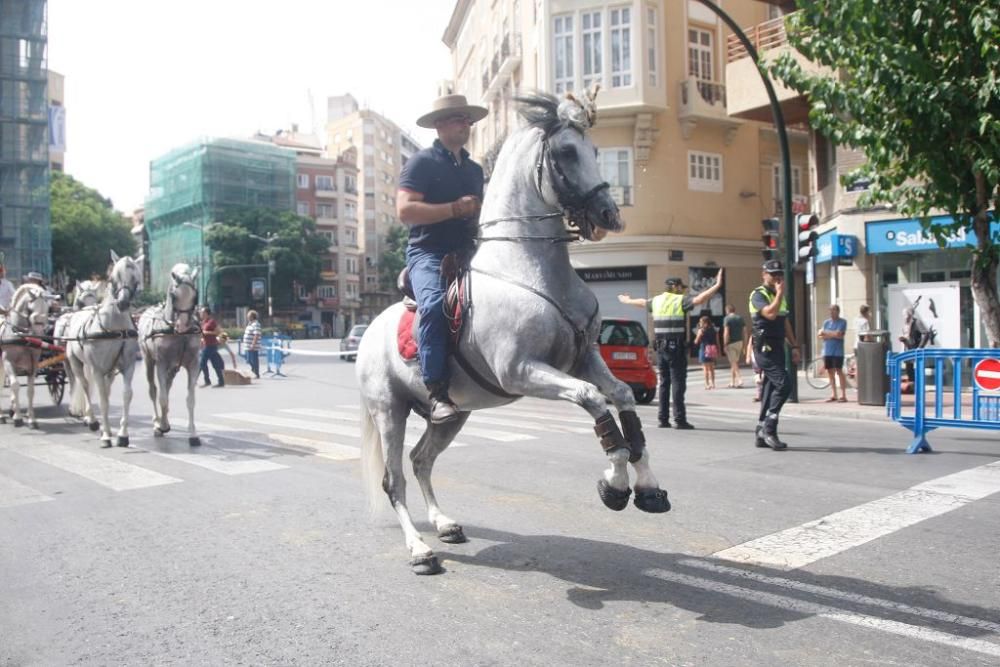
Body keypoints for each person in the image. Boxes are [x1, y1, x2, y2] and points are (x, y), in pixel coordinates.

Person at [396, 94, 487, 424]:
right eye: (458, 118)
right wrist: (453, 209)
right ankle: (436, 391)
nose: (465, 124)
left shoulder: (475, 170)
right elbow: (404, 210)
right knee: (434, 305)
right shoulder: (422, 163)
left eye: (468, 119)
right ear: (439, 125)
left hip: (470, 252)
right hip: (429, 253)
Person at [618, 268, 724, 429]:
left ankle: (663, 419)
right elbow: (700, 299)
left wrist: (627, 301)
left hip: (661, 349)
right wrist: (717, 285)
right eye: (681, 287)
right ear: (674, 286)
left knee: (664, 384)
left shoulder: (657, 300)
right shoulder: (679, 300)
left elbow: (641, 302)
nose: (682, 290)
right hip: (676, 349)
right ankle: (679, 419)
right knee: (678, 384)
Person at [748, 260, 801, 450]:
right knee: (784, 384)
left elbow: (784, 322)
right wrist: (779, 293)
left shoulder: (779, 297)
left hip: (778, 346)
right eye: (773, 274)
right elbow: (770, 314)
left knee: (770, 390)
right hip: (764, 348)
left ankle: (761, 430)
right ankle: (769, 428)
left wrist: (794, 346)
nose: (777, 277)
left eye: (779, 273)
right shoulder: (758, 295)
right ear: (764, 274)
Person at [819, 304, 848, 402]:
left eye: (834, 310)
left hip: (838, 351)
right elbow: (821, 336)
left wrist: (827, 333)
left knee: (839, 371)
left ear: (838, 311)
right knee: (830, 372)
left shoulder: (842, 322)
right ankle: (833, 393)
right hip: (827, 350)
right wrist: (833, 334)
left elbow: (839, 334)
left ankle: (843, 394)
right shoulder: (826, 322)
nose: (831, 312)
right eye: (830, 310)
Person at [198, 306, 225, 388]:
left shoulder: (211, 322)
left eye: (202, 313)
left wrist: (206, 333)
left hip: (211, 345)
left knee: (202, 363)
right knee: (215, 364)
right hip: (206, 344)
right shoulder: (203, 322)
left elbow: (218, 332)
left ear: (206, 313)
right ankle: (221, 381)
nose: (200, 314)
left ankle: (207, 381)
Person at [722, 303, 746, 388]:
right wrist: (744, 343)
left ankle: (740, 379)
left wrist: (725, 344)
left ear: (727, 310)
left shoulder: (727, 319)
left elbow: (726, 332)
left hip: (731, 343)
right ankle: (732, 382)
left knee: (733, 362)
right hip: (739, 342)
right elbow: (744, 331)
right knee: (734, 362)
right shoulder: (740, 318)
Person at [694, 315, 719, 390]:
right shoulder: (714, 330)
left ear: (705, 323)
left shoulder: (701, 330)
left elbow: (696, 341)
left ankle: (707, 384)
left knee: (705, 368)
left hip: (704, 349)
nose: (699, 323)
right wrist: (718, 349)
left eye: (701, 322)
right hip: (712, 349)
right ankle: (713, 383)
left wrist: (697, 338)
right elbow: (717, 341)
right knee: (711, 368)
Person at [242, 309, 262, 379]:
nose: (247, 317)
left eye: (248, 316)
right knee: (249, 360)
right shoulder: (250, 324)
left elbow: (256, 335)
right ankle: (253, 370)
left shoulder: (256, 324)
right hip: (247, 346)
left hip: (252, 346)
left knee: (253, 360)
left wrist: (253, 344)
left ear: (252, 317)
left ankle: (256, 373)